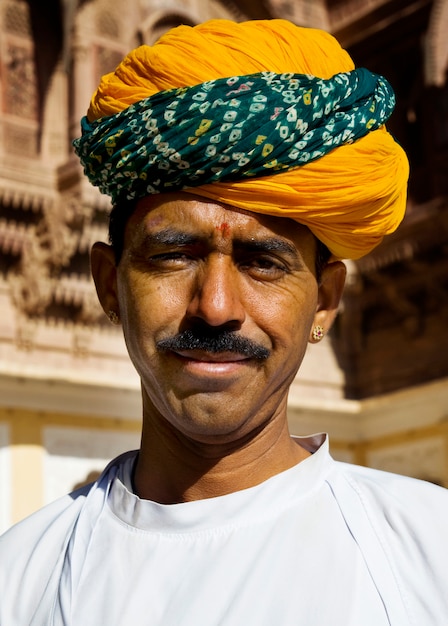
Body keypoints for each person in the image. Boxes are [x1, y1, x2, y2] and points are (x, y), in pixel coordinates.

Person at [0, 18, 447, 626]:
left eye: (263, 263)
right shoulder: (21, 578)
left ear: (323, 302)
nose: (215, 307)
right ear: (110, 285)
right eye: (174, 255)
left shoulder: (426, 555)